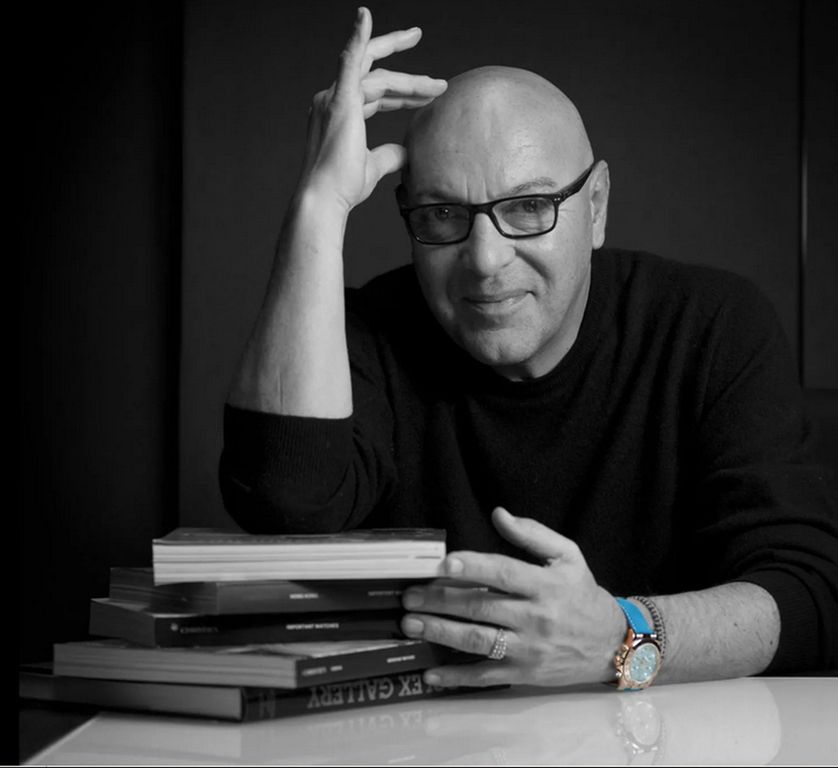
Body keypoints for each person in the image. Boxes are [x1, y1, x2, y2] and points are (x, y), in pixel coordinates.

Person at [219, 7, 838, 689]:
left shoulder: (711, 327)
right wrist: (319, 205)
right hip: (428, 736)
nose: (485, 261)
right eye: (443, 215)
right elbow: (283, 509)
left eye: (528, 207)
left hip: (669, 736)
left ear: (595, 207)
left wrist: (621, 636)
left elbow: (810, 594)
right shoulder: (367, 333)